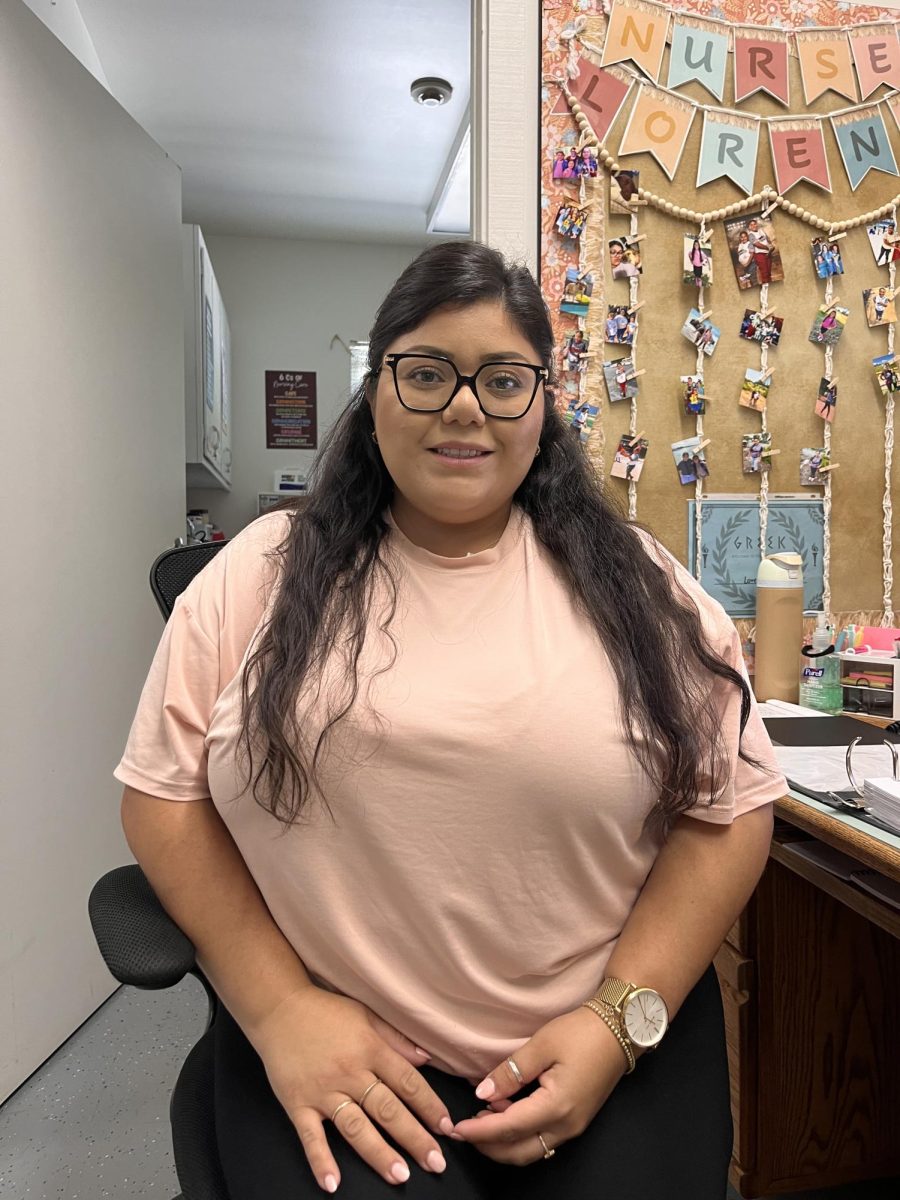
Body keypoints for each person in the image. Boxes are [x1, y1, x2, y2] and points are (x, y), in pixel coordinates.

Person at [115, 242, 782, 1200]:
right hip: (345, 1045)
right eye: (426, 373)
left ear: (544, 404)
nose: (464, 406)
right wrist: (277, 1010)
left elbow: (732, 809)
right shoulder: (261, 570)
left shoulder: (638, 584)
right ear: (375, 390)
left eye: (503, 379)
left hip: (598, 1039)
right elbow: (162, 799)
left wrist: (616, 1023)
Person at [747, 219, 773, 285]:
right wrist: (768, 247)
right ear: (749, 227)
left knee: (769, 271)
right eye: (751, 225)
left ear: (757, 224)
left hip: (768, 253)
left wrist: (770, 245)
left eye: (754, 224)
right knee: (764, 273)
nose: (753, 226)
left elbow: (768, 239)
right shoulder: (750, 235)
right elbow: (757, 244)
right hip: (760, 255)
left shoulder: (761, 230)